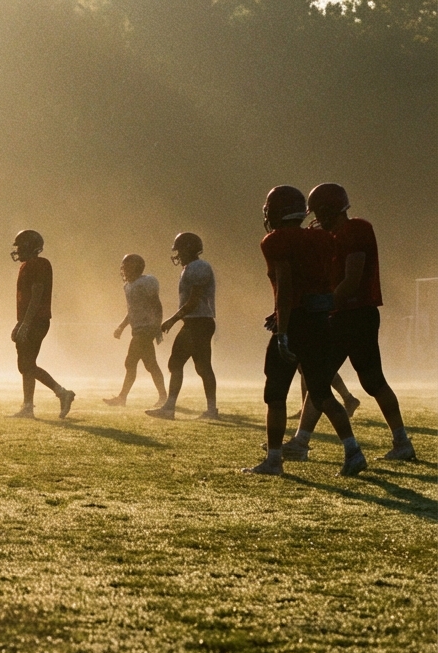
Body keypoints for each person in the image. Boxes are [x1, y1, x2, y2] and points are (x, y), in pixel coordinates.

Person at [279, 183, 414, 461]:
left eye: (319, 212)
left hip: (354, 314)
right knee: (362, 380)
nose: (316, 218)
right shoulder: (334, 235)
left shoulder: (356, 230)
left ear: (329, 210)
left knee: (337, 379)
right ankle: (401, 442)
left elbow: (351, 281)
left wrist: (322, 303)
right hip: (346, 315)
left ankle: (302, 443)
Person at [246, 186, 365, 476]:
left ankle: (274, 459)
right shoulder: (322, 238)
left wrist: (282, 330)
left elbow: (285, 286)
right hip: (320, 321)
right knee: (322, 392)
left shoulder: (275, 240)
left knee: (275, 394)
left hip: (294, 321)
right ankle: (353, 451)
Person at [147, 232, 219, 420]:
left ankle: (169, 408)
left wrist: (172, 319)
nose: (178, 254)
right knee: (203, 367)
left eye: (180, 249)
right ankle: (211, 410)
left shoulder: (197, 267)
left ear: (188, 248)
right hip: (199, 322)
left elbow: (194, 300)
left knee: (176, 362)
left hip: (197, 322)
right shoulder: (193, 267)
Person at [9, 229, 75, 419]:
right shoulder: (27, 265)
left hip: (36, 321)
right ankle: (28, 406)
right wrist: (20, 322)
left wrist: (25, 324)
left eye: (21, 246)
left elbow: (37, 295)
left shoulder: (39, 264)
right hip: (29, 320)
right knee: (25, 364)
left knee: (26, 365)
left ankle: (62, 393)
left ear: (30, 246)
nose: (18, 250)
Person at [104, 254, 166, 407]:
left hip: (146, 329)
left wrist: (157, 327)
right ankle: (163, 396)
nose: (124, 269)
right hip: (138, 329)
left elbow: (156, 305)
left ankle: (122, 398)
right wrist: (122, 326)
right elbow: (132, 311)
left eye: (127, 266)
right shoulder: (129, 286)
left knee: (131, 362)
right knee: (150, 364)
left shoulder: (146, 282)